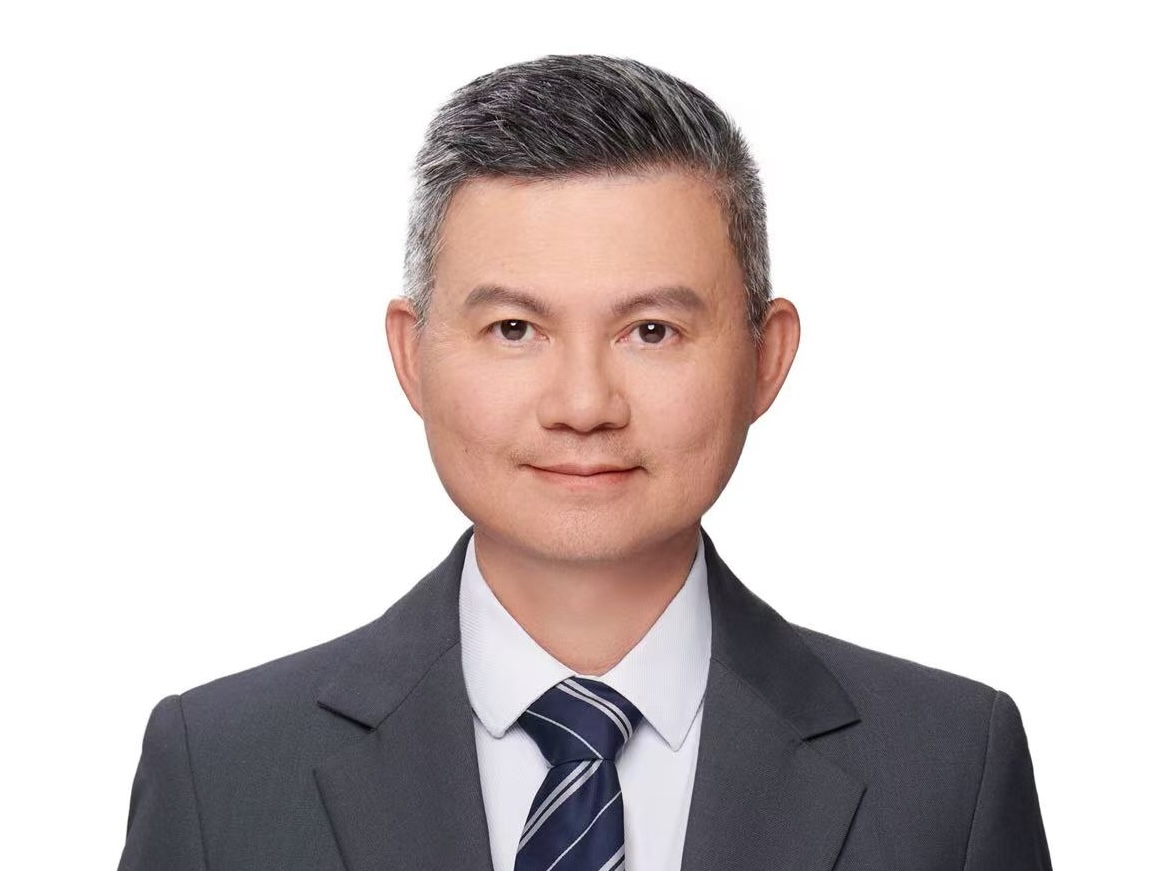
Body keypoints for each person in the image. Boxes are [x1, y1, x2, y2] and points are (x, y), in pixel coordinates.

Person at [117, 54, 1052, 871]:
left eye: (651, 330)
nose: (582, 405)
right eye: (513, 329)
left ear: (766, 357)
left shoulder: (947, 769)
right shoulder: (221, 769)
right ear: (411, 355)